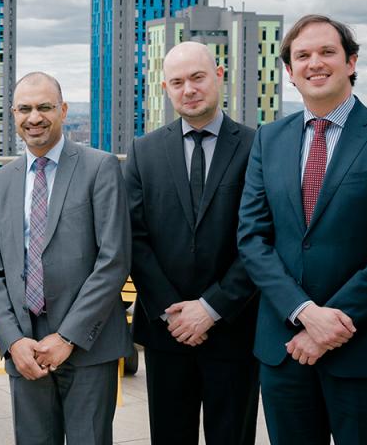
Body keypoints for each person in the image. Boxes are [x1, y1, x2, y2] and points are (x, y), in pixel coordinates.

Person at [238, 14, 367, 444]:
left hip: (363, 347)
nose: (314, 63)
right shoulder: (269, 139)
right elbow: (252, 239)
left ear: (351, 62)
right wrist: (305, 314)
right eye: (302, 55)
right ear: (289, 71)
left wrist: (330, 327)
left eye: (327, 52)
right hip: (284, 347)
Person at [0, 72, 132, 445]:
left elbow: (114, 260)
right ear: (12, 114)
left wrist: (68, 337)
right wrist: (13, 341)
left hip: (88, 346)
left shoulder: (100, 167)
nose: (34, 117)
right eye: (25, 109)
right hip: (25, 350)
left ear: (62, 110)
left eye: (45, 107)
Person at [126, 42, 259, 445]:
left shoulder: (257, 146)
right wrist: (174, 314)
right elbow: (134, 237)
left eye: (198, 78)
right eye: (178, 82)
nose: (189, 89)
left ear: (219, 76)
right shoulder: (143, 151)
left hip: (235, 327)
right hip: (167, 331)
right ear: (165, 87)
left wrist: (212, 307)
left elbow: (260, 237)